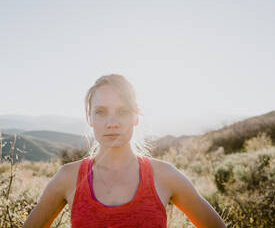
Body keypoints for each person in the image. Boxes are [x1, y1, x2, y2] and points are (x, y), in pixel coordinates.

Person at [22, 74, 226, 228]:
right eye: (101, 112)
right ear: (89, 118)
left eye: (123, 111)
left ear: (136, 117)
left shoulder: (165, 176)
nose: (112, 123)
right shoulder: (67, 178)